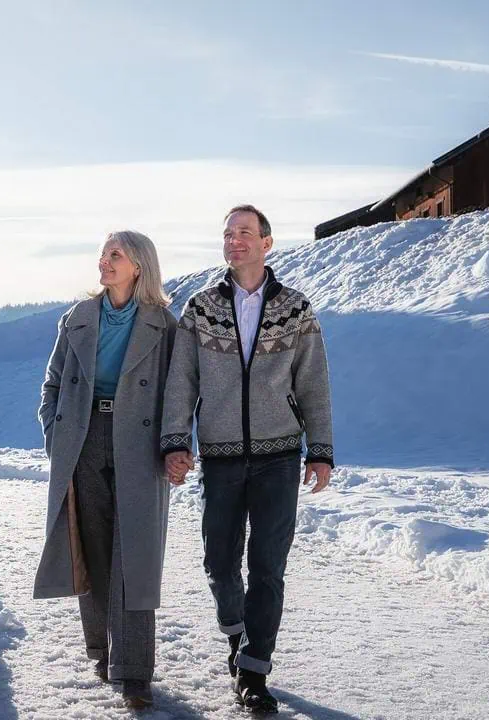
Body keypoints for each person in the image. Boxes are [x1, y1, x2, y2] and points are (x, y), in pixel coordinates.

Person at [161, 205, 335, 714]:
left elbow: (314, 385)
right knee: (219, 561)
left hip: (279, 456)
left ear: (267, 242)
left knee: (267, 567)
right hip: (219, 457)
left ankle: (255, 670)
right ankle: (237, 635)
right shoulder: (200, 308)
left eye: (245, 233)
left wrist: (319, 450)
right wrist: (178, 440)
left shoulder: (296, 309)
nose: (235, 241)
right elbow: (181, 381)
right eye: (228, 234)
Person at [34, 230, 179, 709]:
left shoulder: (164, 323)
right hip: (83, 438)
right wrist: (57, 438)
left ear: (138, 265)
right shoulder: (77, 317)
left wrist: (176, 445)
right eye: (103, 253)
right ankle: (101, 650)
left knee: (134, 556)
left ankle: (135, 671)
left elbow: (178, 396)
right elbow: (51, 386)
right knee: (92, 548)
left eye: (114, 254)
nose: (104, 261)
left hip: (140, 445)